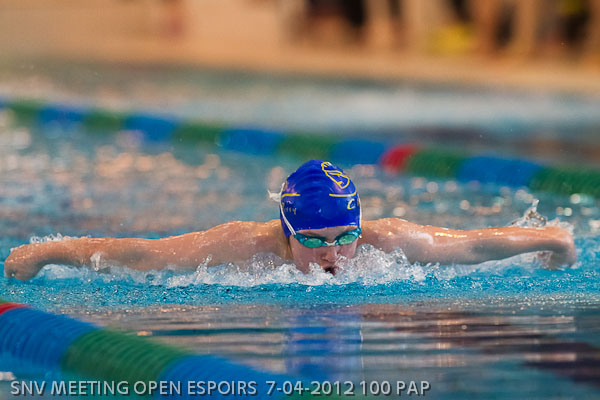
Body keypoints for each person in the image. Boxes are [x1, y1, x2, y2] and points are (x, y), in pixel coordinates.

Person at [4, 160, 576, 281]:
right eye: (314, 240)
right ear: (285, 230)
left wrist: (553, 240)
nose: (333, 255)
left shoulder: (389, 241)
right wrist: (48, 252)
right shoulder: (240, 247)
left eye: (345, 237)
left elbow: (474, 244)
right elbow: (142, 255)